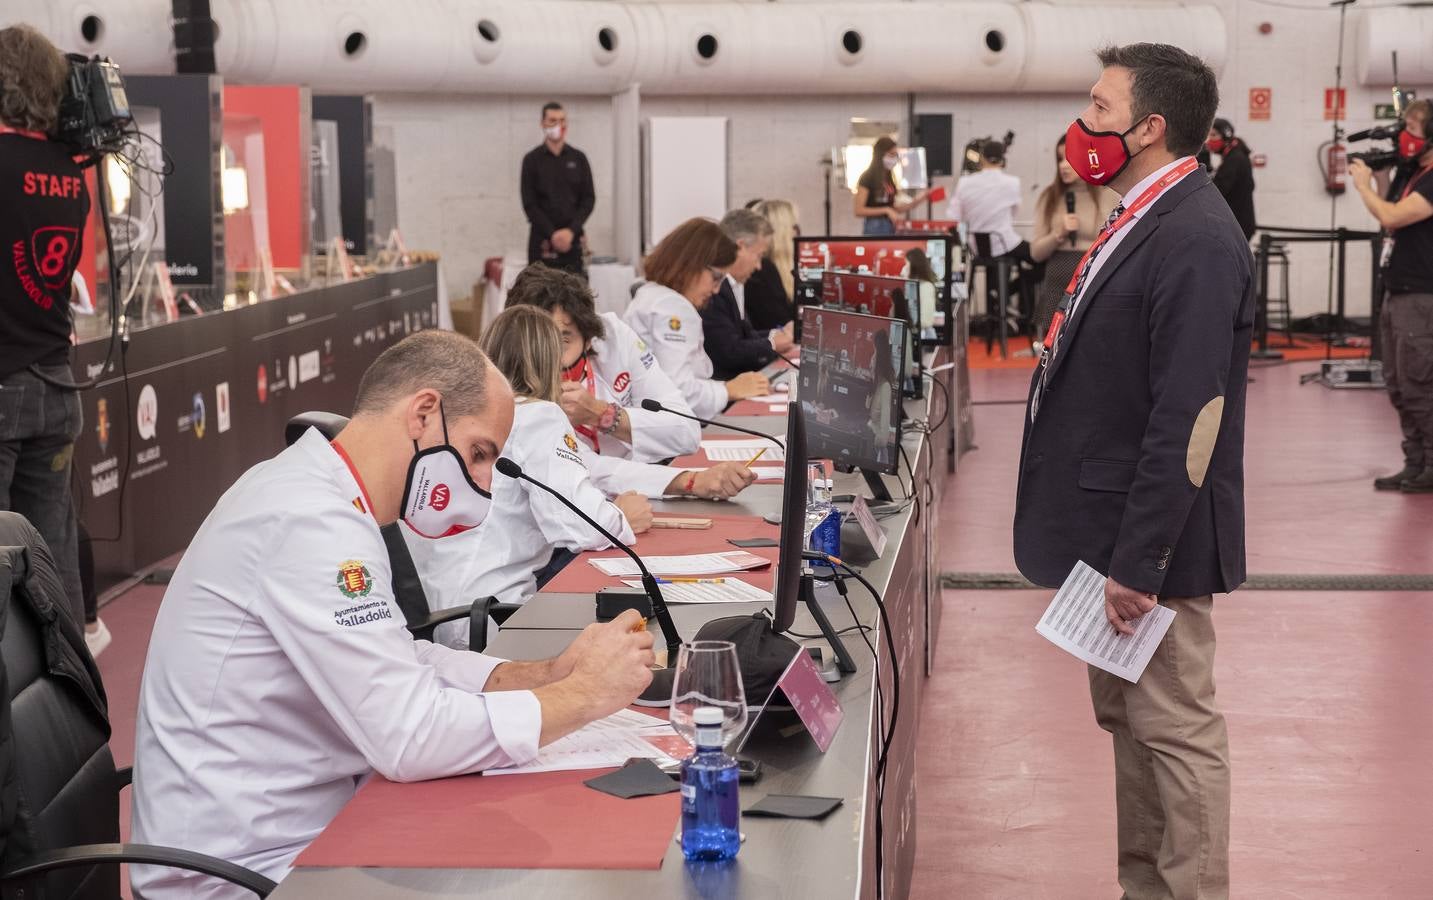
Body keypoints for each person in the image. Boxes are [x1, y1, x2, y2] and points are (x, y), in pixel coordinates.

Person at [131, 331, 657, 897]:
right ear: (424, 414)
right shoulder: (310, 520)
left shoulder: (321, 494)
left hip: (307, 829)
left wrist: (547, 675)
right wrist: (583, 697)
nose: (483, 485)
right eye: (480, 454)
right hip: (248, 875)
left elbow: (397, 655)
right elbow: (409, 737)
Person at [1014, 43, 1251, 899]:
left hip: (1149, 545)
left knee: (1175, 729)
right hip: (1107, 533)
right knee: (1130, 722)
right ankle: (1143, 887)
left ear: (1150, 128)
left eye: (1100, 109)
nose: (1083, 126)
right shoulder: (1138, 215)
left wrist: (1138, 562)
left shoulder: (1192, 233)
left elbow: (1188, 416)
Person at [402, 308, 654, 639]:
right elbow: (579, 525)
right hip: (491, 619)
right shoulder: (537, 415)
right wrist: (622, 516)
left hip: (431, 615)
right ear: (551, 364)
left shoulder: (450, 417)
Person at [506, 264, 755, 500]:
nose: (549, 356)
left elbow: (686, 431)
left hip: (636, 493)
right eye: (538, 342)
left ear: (589, 338)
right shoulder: (512, 381)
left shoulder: (612, 336)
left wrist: (603, 415)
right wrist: (689, 481)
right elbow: (581, 469)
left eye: (562, 340)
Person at [0, 25, 91, 631]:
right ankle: (77, 714)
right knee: (51, 562)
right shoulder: (70, 172)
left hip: (4, 386)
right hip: (55, 388)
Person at [1352, 97, 1433, 494]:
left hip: (1422, 296)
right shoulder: (1412, 172)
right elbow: (1387, 205)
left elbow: (1391, 216)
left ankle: (1431, 464)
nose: (1406, 137)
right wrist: (1379, 175)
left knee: (1420, 385)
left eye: (1414, 130)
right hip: (1397, 291)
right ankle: (1414, 462)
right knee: (1398, 384)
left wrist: (1363, 186)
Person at [624, 218, 772, 419]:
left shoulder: (652, 295)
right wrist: (729, 389)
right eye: (717, 277)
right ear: (692, 265)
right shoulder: (672, 308)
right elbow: (678, 393)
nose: (717, 289)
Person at [1029, 135, 1119, 339]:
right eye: (1059, 160)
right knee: (1052, 351)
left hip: (1093, 275)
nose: (1063, 166)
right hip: (1058, 277)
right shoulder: (1049, 197)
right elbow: (1036, 253)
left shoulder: (1108, 194)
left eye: (1068, 159)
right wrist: (1057, 235)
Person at [947, 138, 1038, 327]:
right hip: (1005, 242)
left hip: (977, 248)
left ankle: (997, 293)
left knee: (996, 262)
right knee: (1041, 258)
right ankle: (1006, 291)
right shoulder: (1012, 182)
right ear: (1003, 160)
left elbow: (953, 216)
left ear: (981, 158)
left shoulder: (965, 183)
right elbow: (1014, 214)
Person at [701, 209, 795, 380]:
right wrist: (772, 344)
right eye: (758, 256)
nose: (759, 266)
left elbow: (744, 334)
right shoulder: (714, 288)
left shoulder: (733, 285)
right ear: (741, 246)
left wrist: (774, 334)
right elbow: (728, 350)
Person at [520, 101, 595, 275]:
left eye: (562, 120)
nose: (558, 125)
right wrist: (553, 234)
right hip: (542, 242)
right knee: (540, 296)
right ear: (542, 123)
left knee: (576, 296)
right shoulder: (532, 160)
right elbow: (529, 203)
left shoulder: (579, 158)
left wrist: (570, 231)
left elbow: (589, 199)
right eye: (552, 120)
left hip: (573, 240)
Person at [853, 136, 929, 235]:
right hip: (874, 227)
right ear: (880, 154)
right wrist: (886, 210)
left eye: (896, 155)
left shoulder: (888, 178)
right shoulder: (867, 177)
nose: (894, 159)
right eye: (891, 154)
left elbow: (892, 208)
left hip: (889, 226)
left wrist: (916, 201)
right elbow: (858, 210)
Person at [745, 198, 800, 331]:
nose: (797, 232)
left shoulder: (777, 269)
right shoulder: (762, 271)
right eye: (794, 226)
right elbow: (781, 325)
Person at [1206, 117, 1257, 240]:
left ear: (1226, 136)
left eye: (1214, 135)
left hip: (1238, 225)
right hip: (1238, 223)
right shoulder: (1235, 156)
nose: (1209, 140)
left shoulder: (1234, 159)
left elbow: (1218, 190)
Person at [902, 247, 941, 341]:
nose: (903, 269)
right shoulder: (911, 286)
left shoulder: (926, 287)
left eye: (906, 264)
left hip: (922, 338)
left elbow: (925, 321)